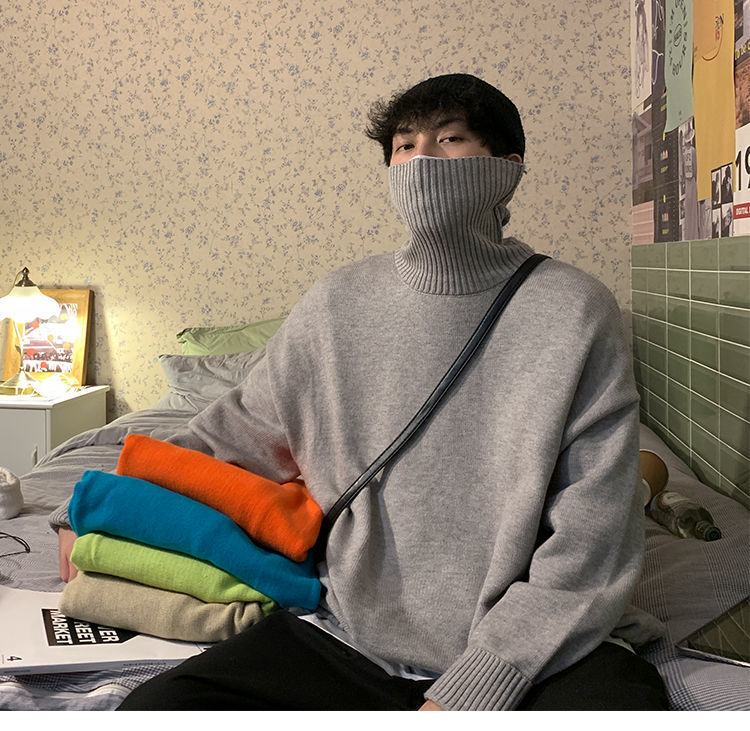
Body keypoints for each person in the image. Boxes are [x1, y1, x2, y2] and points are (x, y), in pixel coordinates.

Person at [55, 74, 668, 711]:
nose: (422, 160)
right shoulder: (335, 305)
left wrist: (482, 682)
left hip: (532, 654)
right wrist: (97, 507)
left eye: (450, 139)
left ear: (508, 168)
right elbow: (225, 440)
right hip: (349, 637)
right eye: (404, 146)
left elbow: (594, 532)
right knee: (154, 711)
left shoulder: (574, 309)